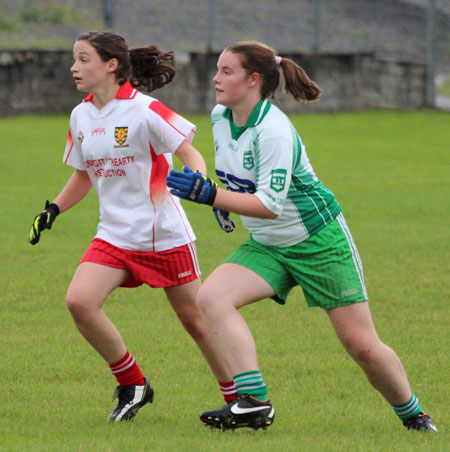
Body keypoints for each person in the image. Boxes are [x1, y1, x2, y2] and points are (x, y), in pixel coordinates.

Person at [166, 40, 437, 432]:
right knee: (212, 297)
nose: (215, 78)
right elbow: (241, 183)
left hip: (317, 239)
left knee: (361, 345)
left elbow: (271, 203)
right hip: (267, 244)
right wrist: (220, 198)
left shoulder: (273, 129)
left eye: (227, 71)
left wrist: (209, 195)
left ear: (254, 80)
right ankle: (254, 402)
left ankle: (414, 416)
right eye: (218, 70)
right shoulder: (220, 116)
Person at [28, 30, 235, 422]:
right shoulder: (80, 115)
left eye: (83, 59)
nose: (74, 67)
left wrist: (201, 184)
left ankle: (239, 397)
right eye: (74, 59)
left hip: (163, 233)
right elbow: (84, 176)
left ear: (111, 66)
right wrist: (54, 208)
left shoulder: (146, 109)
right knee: (80, 302)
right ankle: (133, 383)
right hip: (114, 234)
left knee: (196, 322)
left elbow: (187, 150)